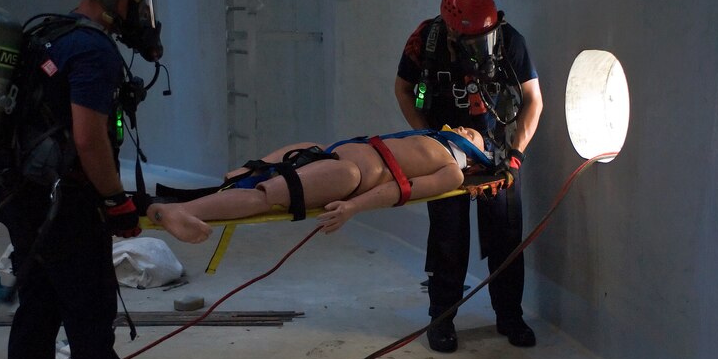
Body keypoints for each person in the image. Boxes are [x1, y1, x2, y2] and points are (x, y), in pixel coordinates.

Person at [0, 0, 211, 359]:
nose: (140, 9)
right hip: (65, 209)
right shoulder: (92, 50)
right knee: (89, 318)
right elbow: (88, 138)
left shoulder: (50, 38)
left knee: (37, 311)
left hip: (24, 199)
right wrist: (116, 203)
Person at [394, 0, 543, 353]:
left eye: (486, 37)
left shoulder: (510, 42)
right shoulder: (424, 42)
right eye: (472, 41)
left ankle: (509, 315)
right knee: (448, 236)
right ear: (449, 30)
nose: (482, 48)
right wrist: (426, 139)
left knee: (506, 235)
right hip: (446, 152)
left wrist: (516, 155)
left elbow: (533, 100)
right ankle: (441, 319)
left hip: (498, 151)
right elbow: (402, 88)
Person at [154, 126, 489, 234]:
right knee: (261, 168)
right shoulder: (427, 136)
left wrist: (353, 207)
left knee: (266, 195)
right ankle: (213, 190)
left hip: (351, 175)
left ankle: (187, 211)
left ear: (473, 158)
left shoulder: (452, 171)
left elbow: (400, 189)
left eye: (470, 133)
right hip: (334, 152)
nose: (461, 129)